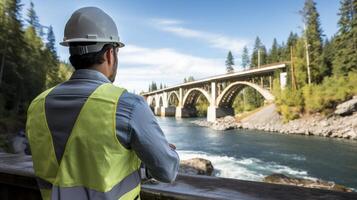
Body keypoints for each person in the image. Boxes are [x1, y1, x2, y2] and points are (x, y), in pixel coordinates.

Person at [25, 7, 179, 200]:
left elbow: (70, 168)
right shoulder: (128, 105)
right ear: (109, 54)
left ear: (72, 53)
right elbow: (167, 171)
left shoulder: (37, 105)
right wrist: (162, 157)